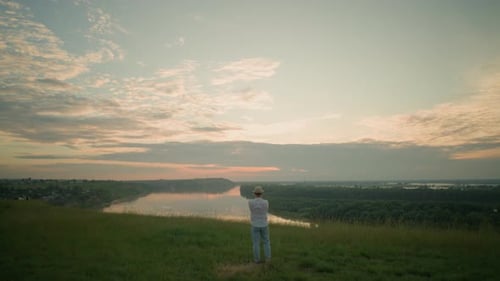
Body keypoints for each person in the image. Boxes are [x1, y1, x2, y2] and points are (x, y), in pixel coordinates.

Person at [248, 185, 271, 263]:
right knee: (266, 242)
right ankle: (267, 259)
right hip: (264, 224)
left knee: (256, 243)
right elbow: (265, 210)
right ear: (262, 193)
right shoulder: (266, 202)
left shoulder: (250, 202)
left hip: (254, 224)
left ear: (254, 193)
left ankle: (257, 260)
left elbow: (252, 210)